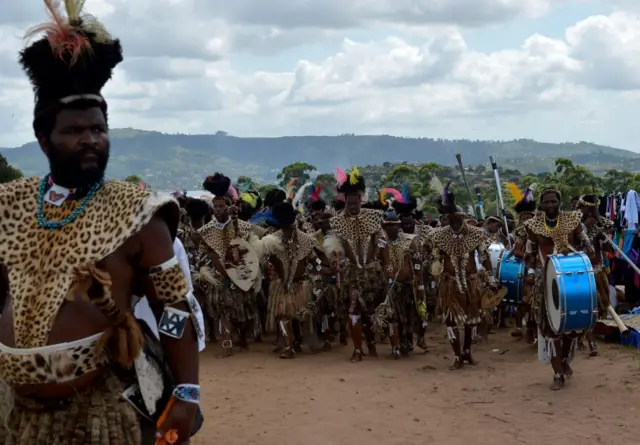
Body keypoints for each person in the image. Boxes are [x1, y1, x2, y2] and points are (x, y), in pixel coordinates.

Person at [0, 2, 199, 443]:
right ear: (42, 138)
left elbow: (174, 312)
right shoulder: (8, 206)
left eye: (98, 127)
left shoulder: (139, 212)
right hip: (16, 415)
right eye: (74, 130)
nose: (90, 138)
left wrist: (186, 391)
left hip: (103, 410)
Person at [524, 188, 593, 390]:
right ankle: (557, 374)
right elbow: (530, 253)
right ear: (541, 204)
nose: (550, 205)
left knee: (572, 329)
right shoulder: (533, 225)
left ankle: (563, 361)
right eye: (546, 202)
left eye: (554, 201)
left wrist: (583, 257)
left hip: (572, 279)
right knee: (551, 329)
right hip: (545, 281)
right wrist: (530, 272)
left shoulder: (573, 220)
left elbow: (585, 244)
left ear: (559, 202)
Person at [429, 186, 497, 369]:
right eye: (450, 218)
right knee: (451, 321)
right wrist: (436, 273)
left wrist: (491, 279)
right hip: (449, 283)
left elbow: (484, 258)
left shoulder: (476, 235)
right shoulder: (438, 236)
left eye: (457, 217)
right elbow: (435, 259)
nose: (454, 220)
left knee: (471, 320)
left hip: (472, 281)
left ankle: (467, 352)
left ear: (463, 217)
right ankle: (457, 355)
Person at [198, 173, 261, 357]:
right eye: (215, 206)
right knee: (223, 310)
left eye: (221, 206)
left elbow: (248, 248)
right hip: (219, 277)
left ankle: (242, 338)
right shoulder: (206, 231)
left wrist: (240, 269)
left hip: (240, 273)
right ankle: (227, 345)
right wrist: (220, 271)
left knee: (243, 310)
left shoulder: (241, 226)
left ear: (228, 206)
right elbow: (206, 254)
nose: (218, 209)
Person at [259, 202, 329, 358]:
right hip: (281, 285)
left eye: (289, 224)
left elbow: (314, 259)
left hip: (301, 284)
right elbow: (263, 261)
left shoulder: (306, 240)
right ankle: (288, 346)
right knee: (283, 315)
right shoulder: (271, 241)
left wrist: (322, 269)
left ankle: (297, 341)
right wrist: (267, 269)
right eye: (284, 225)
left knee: (300, 317)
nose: (288, 228)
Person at [330, 167, 385, 362]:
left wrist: (376, 262)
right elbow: (337, 249)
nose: (352, 206)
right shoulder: (337, 222)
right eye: (349, 203)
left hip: (371, 273)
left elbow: (379, 242)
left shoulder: (373, 217)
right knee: (354, 310)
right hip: (352, 273)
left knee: (370, 311)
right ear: (344, 202)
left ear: (360, 201)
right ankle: (357, 349)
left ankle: (370, 344)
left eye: (355, 202)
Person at [376, 214, 424, 358]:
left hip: (408, 286)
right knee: (392, 317)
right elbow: (379, 262)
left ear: (398, 226)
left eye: (393, 225)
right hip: (390, 286)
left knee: (408, 317)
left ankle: (407, 342)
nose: (391, 228)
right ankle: (395, 347)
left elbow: (417, 263)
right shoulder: (381, 243)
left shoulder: (410, 241)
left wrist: (420, 286)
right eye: (387, 225)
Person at [579, 194, 614, 356]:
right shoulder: (576, 225)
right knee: (586, 308)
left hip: (598, 272)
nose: (590, 211)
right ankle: (590, 341)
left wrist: (603, 238)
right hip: (582, 273)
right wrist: (585, 228)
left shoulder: (603, 225)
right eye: (587, 208)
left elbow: (610, 250)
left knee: (598, 307)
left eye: (593, 209)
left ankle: (588, 337)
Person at [510, 185, 537, 342]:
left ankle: (535, 328)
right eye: (524, 217)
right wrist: (528, 255)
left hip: (541, 268)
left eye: (529, 217)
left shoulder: (541, 230)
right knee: (525, 301)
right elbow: (516, 251)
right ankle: (525, 328)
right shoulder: (520, 233)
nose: (526, 220)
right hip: (527, 270)